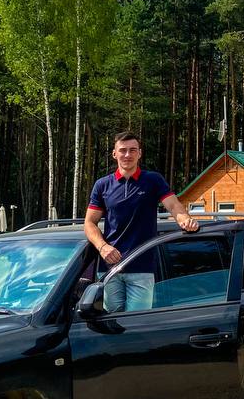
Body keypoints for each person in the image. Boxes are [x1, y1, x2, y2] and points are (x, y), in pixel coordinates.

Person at [84, 131, 199, 311]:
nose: (127, 155)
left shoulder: (153, 180)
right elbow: (89, 223)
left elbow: (173, 205)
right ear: (115, 154)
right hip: (109, 268)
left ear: (140, 153)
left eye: (132, 150)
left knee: (134, 326)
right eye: (122, 150)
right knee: (110, 325)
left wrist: (184, 219)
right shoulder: (102, 185)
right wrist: (102, 247)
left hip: (142, 266)